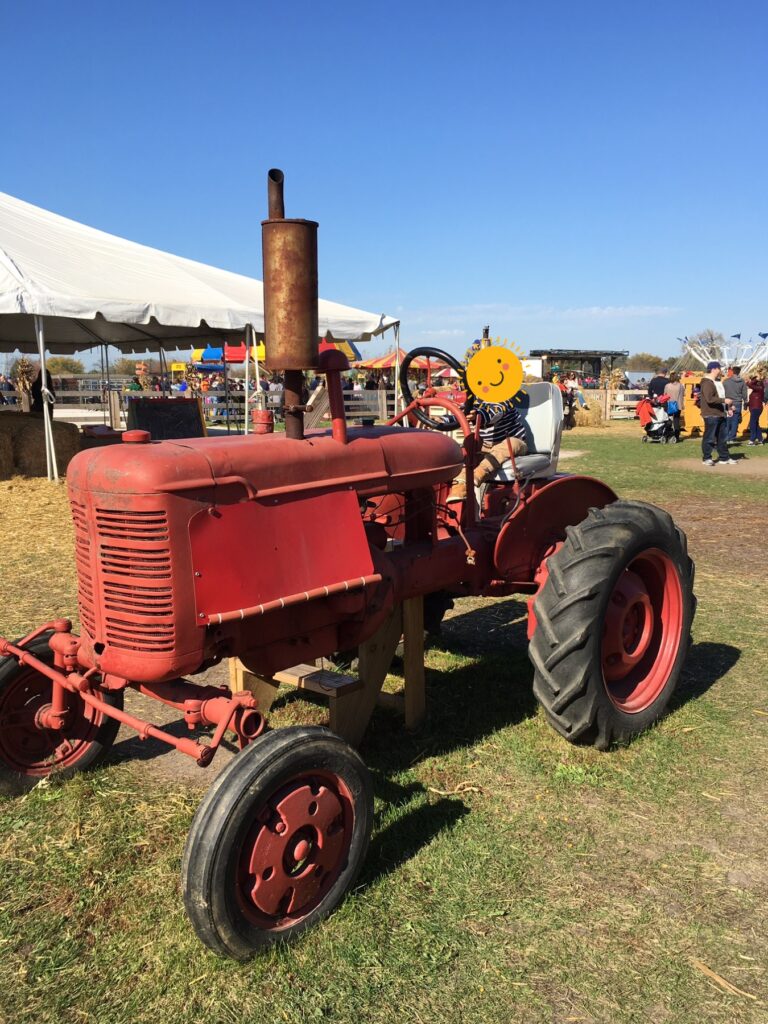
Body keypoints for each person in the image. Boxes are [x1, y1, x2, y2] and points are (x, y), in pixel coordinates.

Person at [448, 397, 528, 502]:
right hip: (486, 445)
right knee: (469, 452)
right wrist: (444, 420)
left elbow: (494, 413)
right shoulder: (474, 402)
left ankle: (479, 473)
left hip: (513, 442)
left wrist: (478, 415)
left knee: (511, 444)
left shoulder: (503, 400)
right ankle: (459, 487)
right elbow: (461, 413)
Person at [699, 361, 735, 466]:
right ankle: (707, 458)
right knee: (709, 438)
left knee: (722, 438)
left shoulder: (715, 382)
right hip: (711, 414)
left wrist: (728, 406)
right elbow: (710, 399)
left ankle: (724, 457)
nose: (720, 371)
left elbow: (716, 398)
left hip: (720, 413)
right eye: (719, 368)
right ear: (714, 369)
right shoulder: (707, 383)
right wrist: (725, 400)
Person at [723, 365, 748, 444]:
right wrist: (745, 402)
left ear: (732, 371)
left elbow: (722, 392)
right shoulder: (742, 382)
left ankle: (726, 437)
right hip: (738, 403)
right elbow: (744, 393)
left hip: (728, 403)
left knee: (728, 421)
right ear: (739, 372)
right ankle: (732, 437)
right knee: (735, 421)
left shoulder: (726, 382)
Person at [663, 371, 685, 440]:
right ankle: (676, 436)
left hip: (669, 404)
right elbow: (683, 394)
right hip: (678, 405)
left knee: (668, 420)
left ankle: (667, 434)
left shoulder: (667, 386)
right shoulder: (681, 386)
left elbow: (665, 395)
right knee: (676, 421)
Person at [746, 375, 765, 445]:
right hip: (755, 407)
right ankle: (760, 439)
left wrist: (755, 379)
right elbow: (754, 399)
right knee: (756, 423)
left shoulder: (759, 388)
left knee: (752, 423)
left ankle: (752, 440)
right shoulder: (757, 389)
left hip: (756, 408)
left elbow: (750, 384)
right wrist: (747, 404)